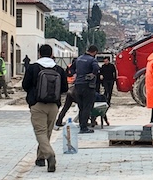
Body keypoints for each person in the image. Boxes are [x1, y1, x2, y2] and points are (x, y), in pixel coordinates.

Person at [22, 43, 68, 172]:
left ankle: (49, 155)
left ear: (39, 54)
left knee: (40, 132)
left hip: (37, 105)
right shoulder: (59, 69)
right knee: (47, 131)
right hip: (54, 105)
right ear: (52, 54)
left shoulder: (33, 68)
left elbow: (25, 85)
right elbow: (64, 88)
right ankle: (40, 158)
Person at [71, 45, 101, 133]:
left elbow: (71, 68)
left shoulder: (79, 59)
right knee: (87, 107)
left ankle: (81, 125)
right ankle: (84, 128)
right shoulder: (92, 60)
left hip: (77, 85)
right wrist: (93, 74)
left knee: (81, 107)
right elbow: (96, 68)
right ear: (94, 52)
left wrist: (75, 74)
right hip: (88, 86)